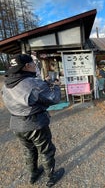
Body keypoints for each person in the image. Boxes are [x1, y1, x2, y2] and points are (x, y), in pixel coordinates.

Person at [1, 54, 65, 187]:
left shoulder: (6, 83)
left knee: (28, 150)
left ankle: (33, 173)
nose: (35, 66)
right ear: (27, 66)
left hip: (16, 124)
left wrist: (45, 83)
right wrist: (56, 86)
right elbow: (54, 98)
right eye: (33, 64)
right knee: (46, 150)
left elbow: (29, 93)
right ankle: (51, 177)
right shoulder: (33, 83)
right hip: (35, 124)